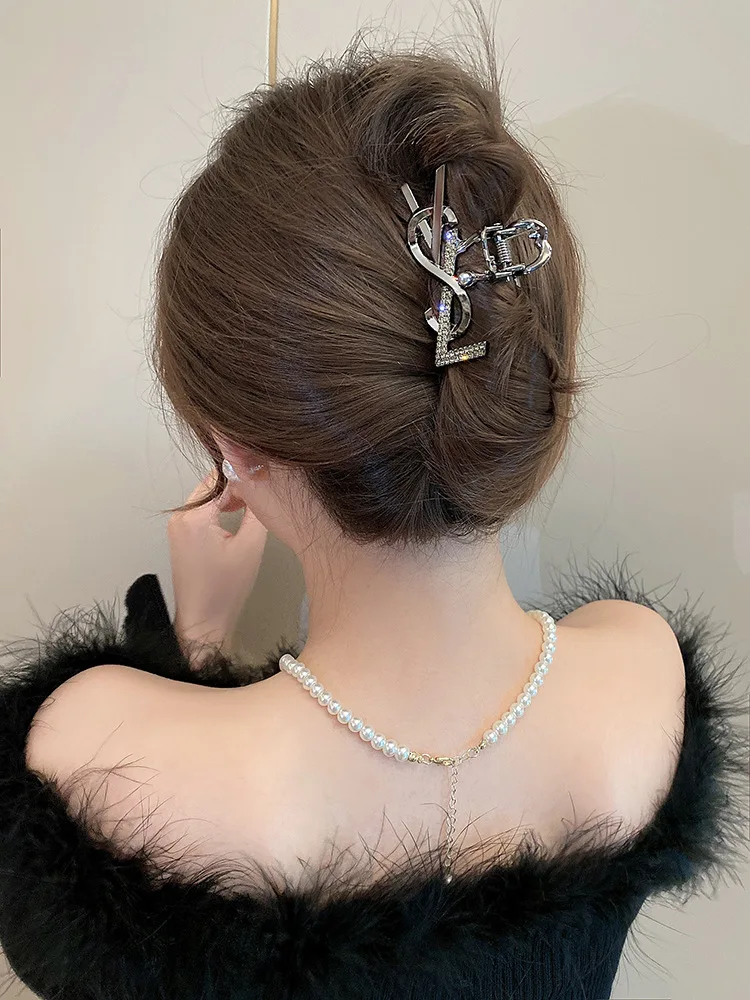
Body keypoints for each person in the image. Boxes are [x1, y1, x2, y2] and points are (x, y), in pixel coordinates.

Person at [0, 43, 745, 1000]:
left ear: (236, 450)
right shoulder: (640, 681)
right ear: (528, 378)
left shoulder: (90, 754)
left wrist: (193, 649)